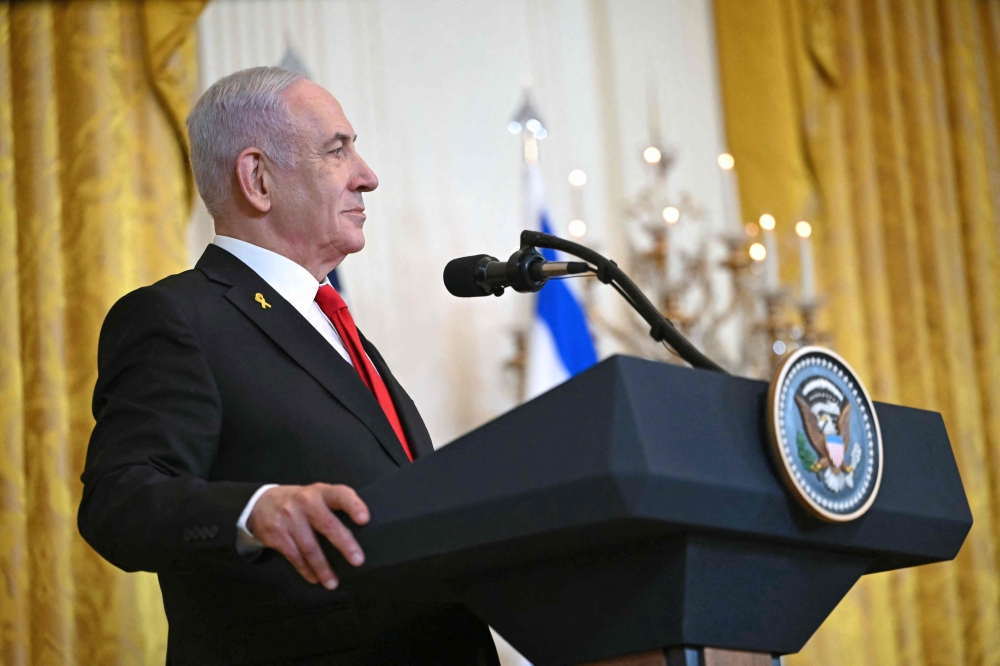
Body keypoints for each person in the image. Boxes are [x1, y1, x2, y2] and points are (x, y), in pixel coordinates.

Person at [78, 66, 500, 666]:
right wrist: (254, 510)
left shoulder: (331, 322)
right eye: (337, 150)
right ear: (257, 178)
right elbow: (119, 502)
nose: (368, 176)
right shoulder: (177, 317)